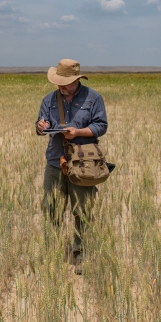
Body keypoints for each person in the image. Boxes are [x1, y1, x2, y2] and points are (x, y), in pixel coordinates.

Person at [35, 58, 108, 275]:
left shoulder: (93, 98)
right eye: (59, 82)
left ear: (77, 80)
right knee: (51, 208)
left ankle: (80, 255)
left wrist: (78, 132)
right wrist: (41, 126)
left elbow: (100, 126)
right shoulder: (49, 100)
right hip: (55, 161)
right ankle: (55, 253)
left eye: (66, 82)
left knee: (82, 211)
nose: (61, 86)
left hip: (83, 163)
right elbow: (40, 125)